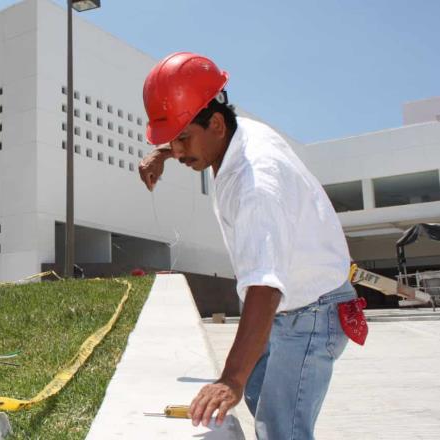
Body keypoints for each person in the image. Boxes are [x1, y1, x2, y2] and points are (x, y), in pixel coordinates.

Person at [139, 52, 355, 439]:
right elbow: (194, 135)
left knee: (280, 429)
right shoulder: (237, 132)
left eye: (183, 140)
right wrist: (164, 152)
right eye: (173, 141)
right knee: (257, 396)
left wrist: (229, 379)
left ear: (217, 124)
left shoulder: (256, 184)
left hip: (310, 311)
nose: (180, 151)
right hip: (287, 304)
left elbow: (265, 286)